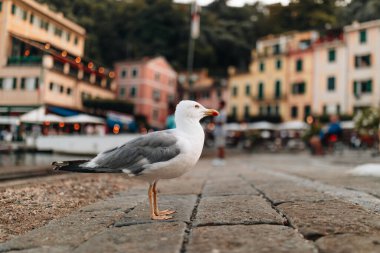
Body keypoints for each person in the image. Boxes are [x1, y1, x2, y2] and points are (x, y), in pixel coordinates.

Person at [212, 100, 227, 166]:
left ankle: (222, 159)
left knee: (221, 146)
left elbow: (222, 122)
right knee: (219, 146)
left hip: (221, 132)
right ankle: (219, 158)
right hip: (218, 132)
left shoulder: (223, 113)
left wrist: (215, 122)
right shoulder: (220, 112)